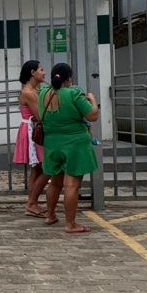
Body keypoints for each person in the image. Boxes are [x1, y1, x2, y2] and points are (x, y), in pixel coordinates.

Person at [39, 62, 100, 234]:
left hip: (52, 143)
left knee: (55, 182)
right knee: (72, 185)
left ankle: (50, 215)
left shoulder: (43, 93)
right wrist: (93, 100)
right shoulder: (73, 93)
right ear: (68, 79)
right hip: (75, 144)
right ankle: (70, 224)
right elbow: (92, 116)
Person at [13, 60, 49, 216]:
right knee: (46, 168)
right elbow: (41, 116)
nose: (44, 73)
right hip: (33, 131)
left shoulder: (36, 90)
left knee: (37, 169)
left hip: (34, 129)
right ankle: (32, 202)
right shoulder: (29, 92)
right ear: (33, 73)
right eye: (41, 69)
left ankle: (32, 203)